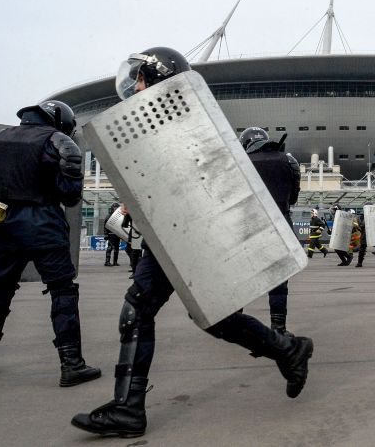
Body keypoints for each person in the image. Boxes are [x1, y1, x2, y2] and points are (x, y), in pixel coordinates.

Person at [71, 47, 313, 438]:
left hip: (187, 234)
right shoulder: (154, 126)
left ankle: (129, 409)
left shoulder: (186, 124)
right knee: (204, 314)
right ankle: (286, 349)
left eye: (141, 78)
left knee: (154, 309)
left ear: (160, 79)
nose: (135, 86)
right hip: (171, 235)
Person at [0, 100, 101, 386]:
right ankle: (71, 364)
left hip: (6, 224)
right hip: (44, 224)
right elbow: (70, 195)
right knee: (62, 290)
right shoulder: (57, 140)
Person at [240, 126, 301, 333]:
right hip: (280, 221)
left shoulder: (240, 162)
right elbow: (293, 197)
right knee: (279, 280)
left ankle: (235, 323)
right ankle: (278, 327)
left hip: (248, 225)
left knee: (240, 276)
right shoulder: (289, 160)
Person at [355, 202, 375, 268]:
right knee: (362, 249)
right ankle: (359, 263)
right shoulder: (362, 216)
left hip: (374, 234)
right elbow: (360, 225)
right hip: (365, 234)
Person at [103, 202, 121, 267]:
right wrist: (106, 234)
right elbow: (105, 226)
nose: (115, 209)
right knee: (110, 248)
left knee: (116, 249)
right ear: (112, 208)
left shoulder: (119, 217)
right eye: (114, 208)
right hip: (110, 234)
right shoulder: (108, 216)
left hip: (117, 234)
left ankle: (115, 262)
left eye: (117, 208)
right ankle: (107, 262)